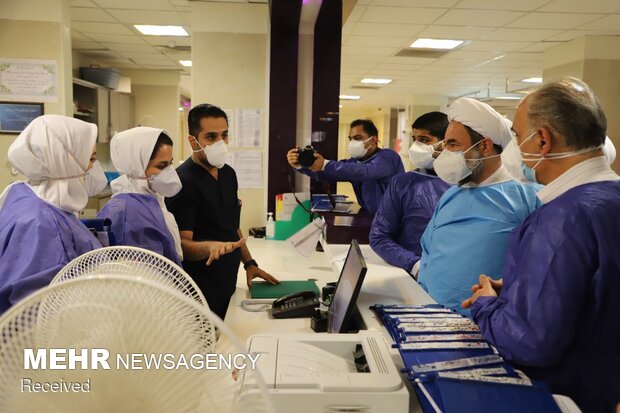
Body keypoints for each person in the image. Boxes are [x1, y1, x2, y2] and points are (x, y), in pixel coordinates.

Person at [462, 78, 620, 413]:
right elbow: (598, 294)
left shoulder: (562, 217)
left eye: (519, 136)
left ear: (543, 139)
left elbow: (531, 343)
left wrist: (487, 304)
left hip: (559, 396)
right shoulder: (610, 199)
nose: (517, 147)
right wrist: (522, 289)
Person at [416, 97, 540, 315]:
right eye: (446, 145)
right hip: (432, 317)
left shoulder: (527, 195)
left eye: (453, 145)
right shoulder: (451, 195)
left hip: (487, 325)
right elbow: (428, 250)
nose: (446, 153)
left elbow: (539, 269)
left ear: (484, 146)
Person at [166, 104, 278, 319]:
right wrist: (210, 247)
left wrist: (249, 263)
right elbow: (181, 245)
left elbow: (231, 226)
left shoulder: (228, 174)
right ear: (193, 141)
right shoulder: (183, 182)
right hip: (199, 287)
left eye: (224, 135)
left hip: (227, 277)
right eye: (211, 137)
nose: (220, 143)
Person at [0, 115, 107, 313]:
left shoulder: (23, 193)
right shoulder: (41, 222)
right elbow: (33, 313)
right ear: (63, 160)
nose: (92, 168)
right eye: (90, 159)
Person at [98, 127, 243, 267]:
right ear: (136, 166)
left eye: (170, 164)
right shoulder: (128, 212)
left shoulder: (150, 201)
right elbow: (142, 277)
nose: (169, 172)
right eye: (162, 166)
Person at [370, 112, 450, 274]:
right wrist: (416, 266)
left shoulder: (467, 185)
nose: (416, 146)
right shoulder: (403, 183)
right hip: (411, 274)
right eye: (415, 139)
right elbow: (379, 237)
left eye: (424, 140)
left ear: (446, 143)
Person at [286, 119, 404, 215]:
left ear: (373, 140)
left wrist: (325, 164)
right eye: (350, 139)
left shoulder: (388, 157)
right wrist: (301, 165)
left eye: (357, 138)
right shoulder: (355, 162)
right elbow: (327, 173)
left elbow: (366, 172)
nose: (352, 142)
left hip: (396, 221)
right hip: (373, 218)